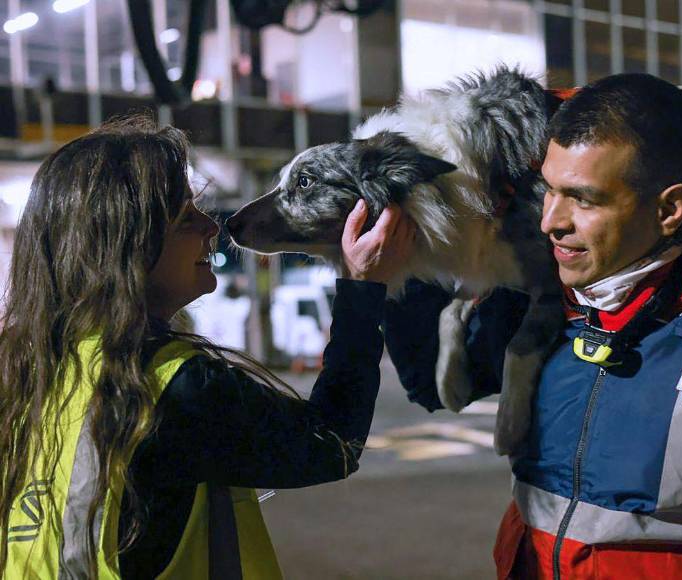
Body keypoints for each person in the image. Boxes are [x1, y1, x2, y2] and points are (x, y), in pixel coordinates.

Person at [384, 73, 682, 578]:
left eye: (583, 198)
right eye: (548, 191)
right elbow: (427, 386)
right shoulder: (535, 309)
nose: (551, 221)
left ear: (670, 209)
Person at [0, 115, 415, 579]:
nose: (210, 227)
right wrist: (362, 289)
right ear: (128, 247)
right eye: (184, 217)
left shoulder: (29, 368)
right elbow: (333, 444)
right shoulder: (174, 387)